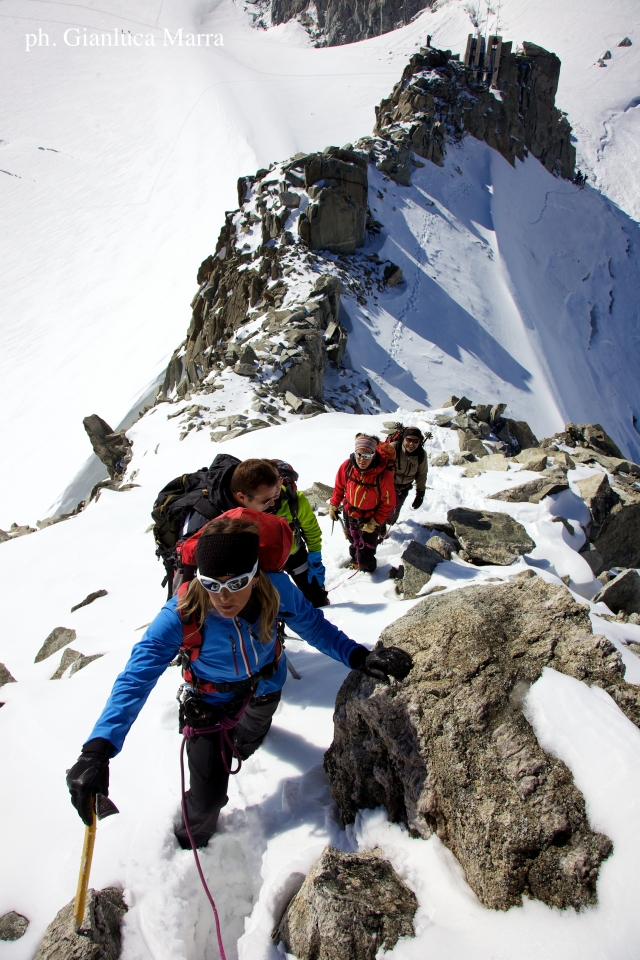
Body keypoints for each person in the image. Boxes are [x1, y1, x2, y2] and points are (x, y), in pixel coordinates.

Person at [66, 516, 413, 849]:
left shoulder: (275, 591)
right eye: (212, 585)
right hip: (208, 706)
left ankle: (241, 747)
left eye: (236, 584)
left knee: (250, 736)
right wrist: (97, 750)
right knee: (209, 796)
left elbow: (313, 626)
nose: (223, 597)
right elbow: (135, 677)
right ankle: (192, 841)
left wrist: (358, 656)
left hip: (265, 687)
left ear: (255, 576)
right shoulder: (183, 614)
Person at [167, 458, 282, 596]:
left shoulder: (249, 492)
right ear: (241, 497)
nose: (272, 504)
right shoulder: (205, 520)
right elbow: (188, 565)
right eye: (266, 501)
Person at [328, 434, 396, 573]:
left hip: (370, 518)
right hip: (350, 512)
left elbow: (388, 503)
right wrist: (334, 504)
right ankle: (355, 560)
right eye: (359, 454)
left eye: (367, 455)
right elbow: (339, 486)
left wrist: (376, 522)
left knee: (367, 548)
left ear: (374, 454)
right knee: (353, 540)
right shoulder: (347, 466)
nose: (361, 459)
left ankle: (367, 568)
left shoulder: (383, 475)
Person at [270, 469, 329, 608]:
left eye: (279, 480)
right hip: (268, 561)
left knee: (317, 599)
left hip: (294, 553)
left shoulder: (294, 499)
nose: (277, 486)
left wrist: (315, 556)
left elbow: (311, 528)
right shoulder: (253, 504)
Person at [387, 427, 428, 526]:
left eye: (415, 441)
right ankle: (379, 531)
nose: (411, 444)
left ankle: (389, 526)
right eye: (408, 440)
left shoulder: (421, 455)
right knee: (382, 511)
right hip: (388, 487)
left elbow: (422, 474)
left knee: (395, 512)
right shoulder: (393, 448)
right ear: (403, 438)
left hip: (404, 488)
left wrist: (420, 493)